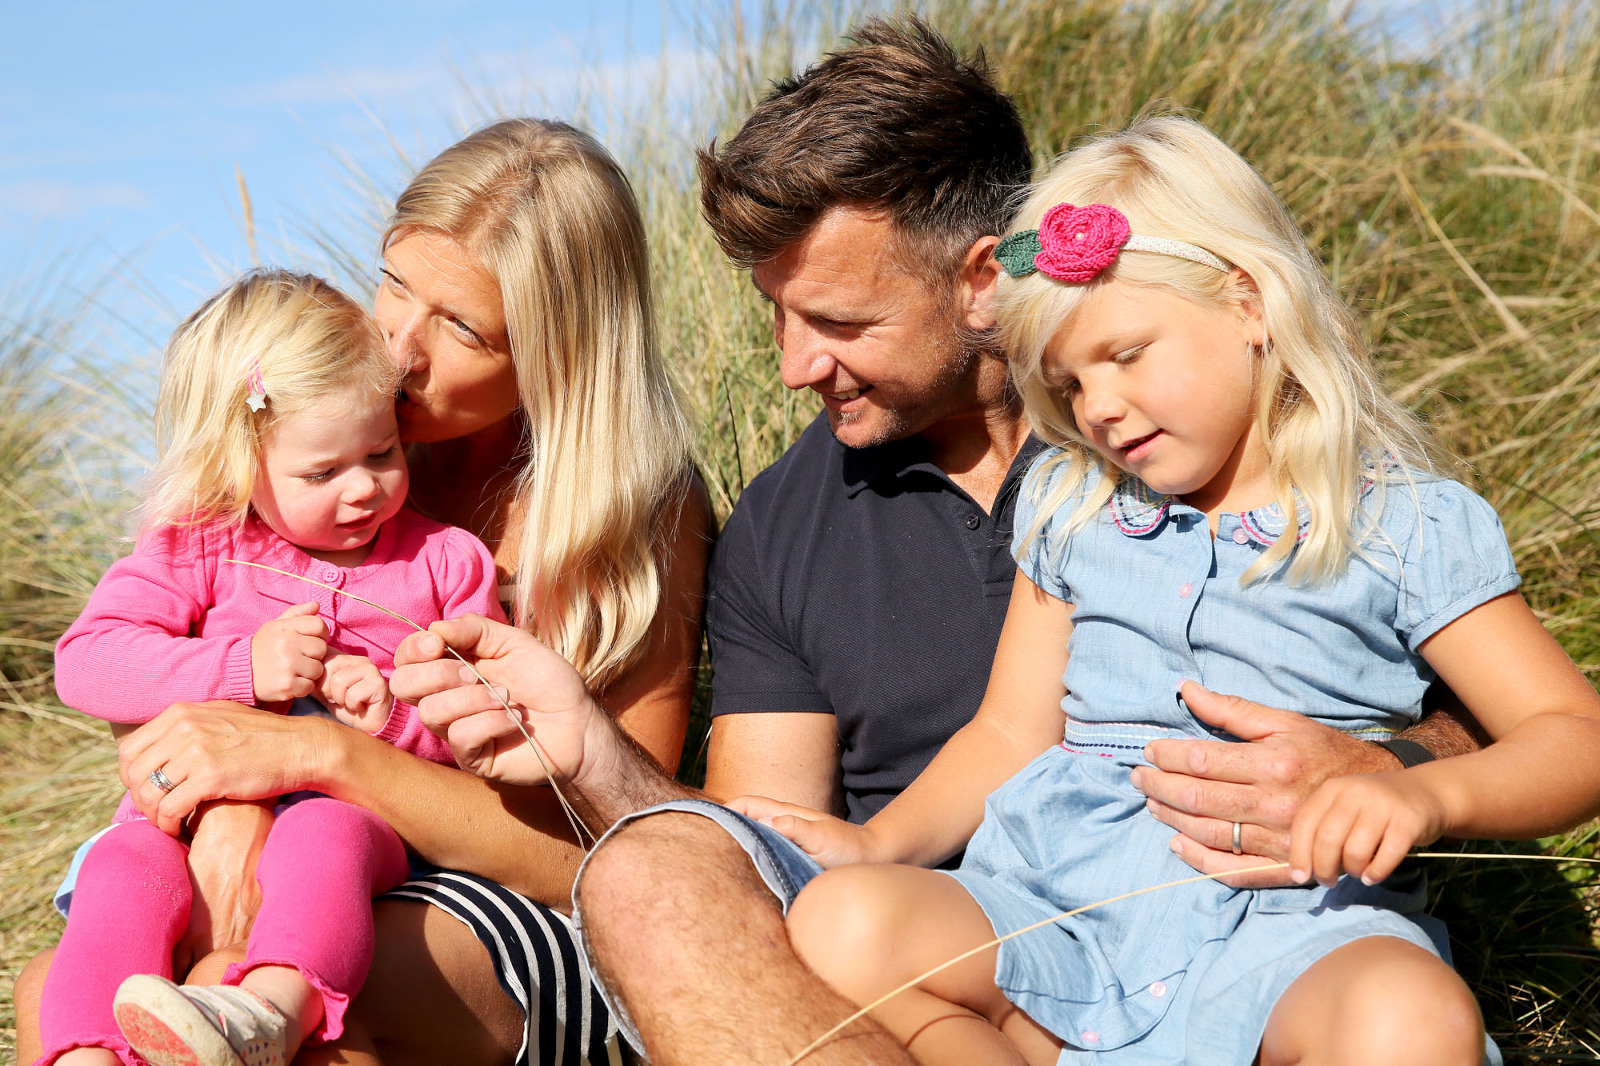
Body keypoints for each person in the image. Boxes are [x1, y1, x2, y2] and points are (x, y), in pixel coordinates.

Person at [389, 20, 1483, 1066]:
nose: (793, 366)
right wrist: (595, 756)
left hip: (1254, 938)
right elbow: (764, 848)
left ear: (980, 280)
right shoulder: (783, 521)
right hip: (936, 969)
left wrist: (1384, 765)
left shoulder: (1189, 430)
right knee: (654, 880)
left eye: (840, 323)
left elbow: (1502, 718)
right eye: (777, 314)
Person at [730, 114, 1600, 1064]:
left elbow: (1573, 738)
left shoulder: (1401, 524)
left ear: (1247, 304)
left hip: (1294, 929)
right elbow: (1013, 734)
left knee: (1410, 1012)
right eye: (1067, 383)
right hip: (1060, 911)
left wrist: (1430, 797)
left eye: (1129, 354)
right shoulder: (1074, 502)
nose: (1098, 407)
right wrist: (880, 843)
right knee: (842, 919)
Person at [15, 119, 707, 1066]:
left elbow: (608, 846)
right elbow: (132, 658)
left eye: (461, 327)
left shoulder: (622, 517)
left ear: (561, 352)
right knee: (62, 984)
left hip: (504, 885)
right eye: (391, 283)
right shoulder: (317, 445)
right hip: (254, 839)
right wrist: (225, 789)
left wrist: (316, 751)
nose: (399, 348)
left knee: (292, 993)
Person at [40, 269, 504, 1066]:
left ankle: (268, 1013)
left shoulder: (443, 562)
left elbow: (488, 725)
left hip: (366, 830)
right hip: (183, 829)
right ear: (237, 461)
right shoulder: (203, 545)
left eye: (381, 451)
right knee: (121, 865)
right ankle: (86, 1052)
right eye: (322, 474)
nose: (363, 487)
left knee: (320, 833)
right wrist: (238, 666)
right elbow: (88, 662)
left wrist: (395, 715)